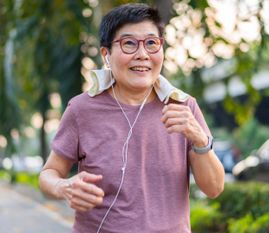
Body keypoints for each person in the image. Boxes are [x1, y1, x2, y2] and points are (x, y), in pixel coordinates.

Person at [39, 3, 224, 233]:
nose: (142, 55)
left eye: (151, 43)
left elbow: (214, 188)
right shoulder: (81, 109)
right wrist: (63, 186)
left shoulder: (184, 107)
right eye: (128, 44)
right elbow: (48, 174)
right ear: (106, 54)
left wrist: (199, 139)